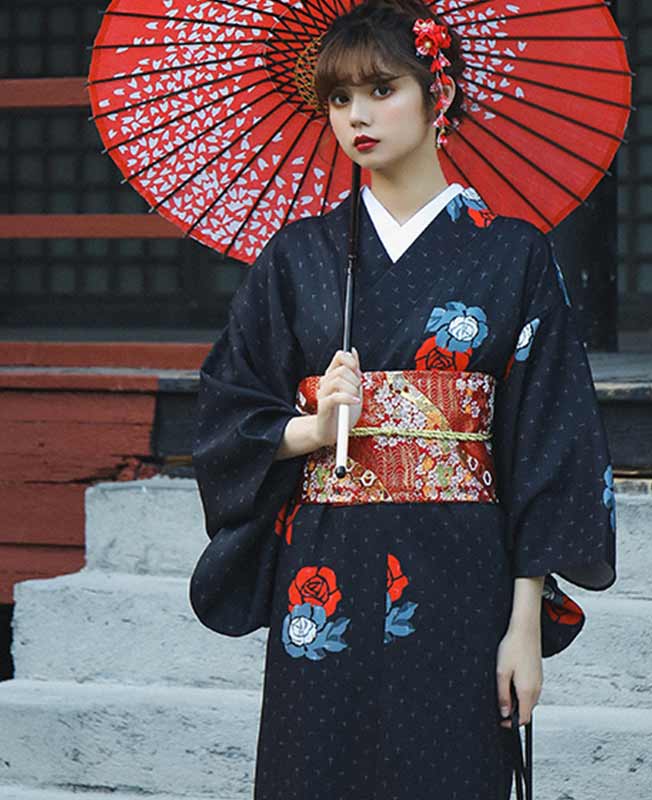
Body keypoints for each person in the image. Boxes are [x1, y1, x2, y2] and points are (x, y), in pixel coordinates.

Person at [190, 0, 616, 797]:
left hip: (461, 566)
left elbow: (548, 444)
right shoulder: (298, 256)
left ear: (438, 94)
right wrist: (309, 430)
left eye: (382, 89)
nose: (357, 116)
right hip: (323, 560)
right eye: (339, 98)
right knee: (314, 768)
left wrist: (524, 624)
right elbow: (222, 411)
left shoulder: (513, 254)